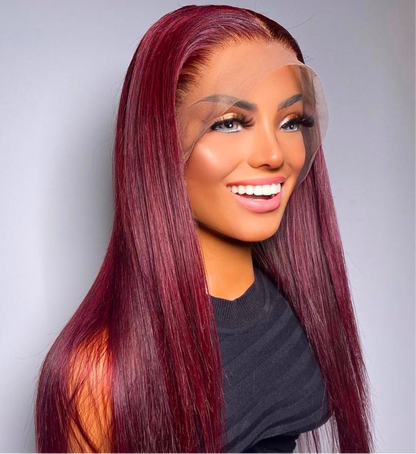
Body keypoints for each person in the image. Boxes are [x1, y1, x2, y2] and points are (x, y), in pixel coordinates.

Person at [35, 5, 374, 453]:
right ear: (160, 140)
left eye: (291, 122)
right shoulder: (102, 374)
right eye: (230, 123)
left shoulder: (301, 311)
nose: (274, 154)